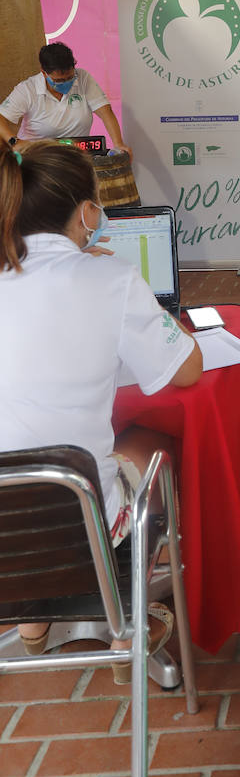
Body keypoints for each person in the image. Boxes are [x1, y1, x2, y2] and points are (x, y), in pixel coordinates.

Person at [0, 140, 202, 667]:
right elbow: (188, 370)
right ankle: (125, 622)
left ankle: (32, 616)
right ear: (88, 212)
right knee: (145, 446)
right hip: (80, 528)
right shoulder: (109, 278)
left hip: (7, 539)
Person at [0, 43, 131, 156]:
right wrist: (14, 141)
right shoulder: (27, 89)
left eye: (70, 78)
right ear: (44, 73)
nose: (65, 83)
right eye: (59, 80)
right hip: (36, 157)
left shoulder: (83, 78)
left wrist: (118, 144)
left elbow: (105, 112)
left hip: (77, 155)